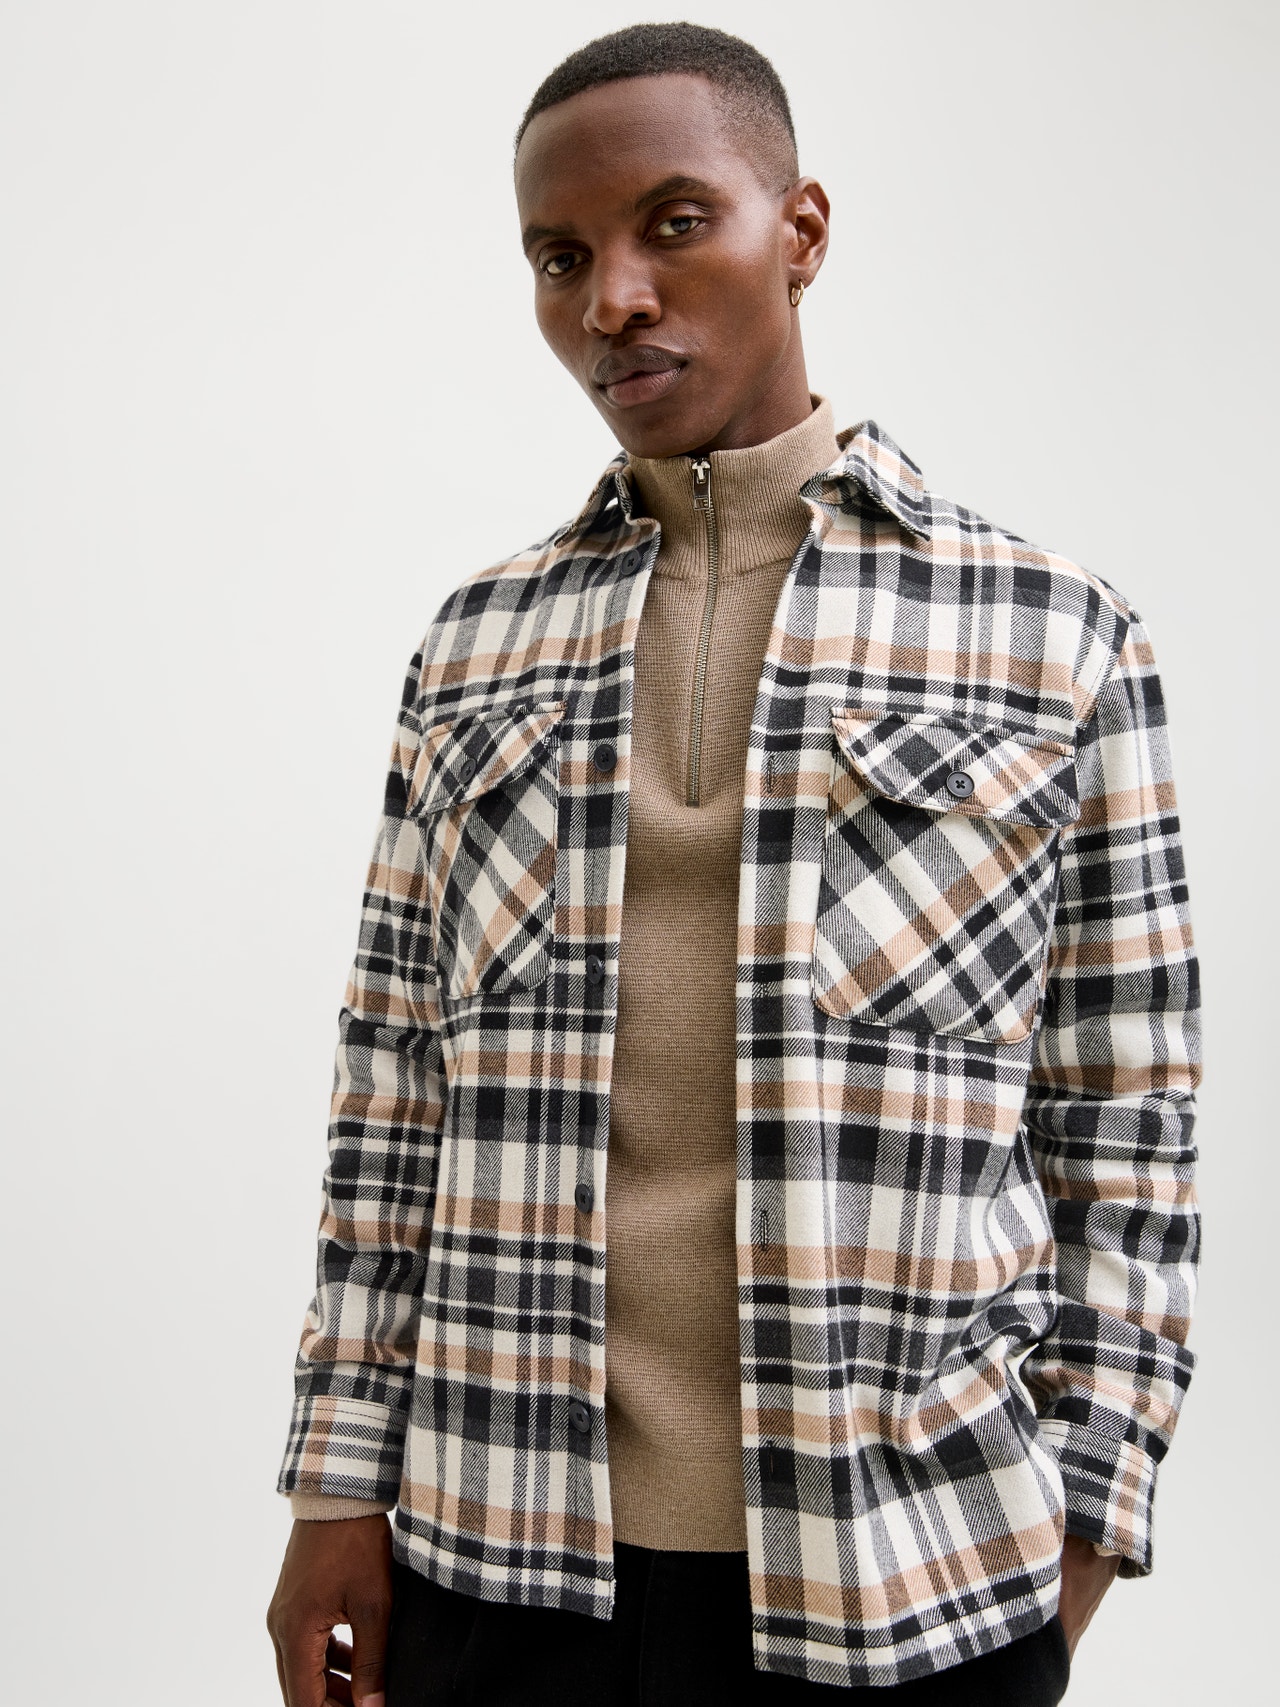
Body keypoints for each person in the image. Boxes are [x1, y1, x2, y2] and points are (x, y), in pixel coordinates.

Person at [266, 23, 1202, 1706]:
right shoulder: (475, 646)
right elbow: (391, 1088)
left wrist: (1087, 1523)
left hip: (910, 1576)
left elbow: (1126, 1116)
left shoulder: (1052, 634)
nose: (612, 298)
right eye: (561, 258)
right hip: (503, 1562)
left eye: (673, 224)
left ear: (802, 231)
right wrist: (338, 1486)